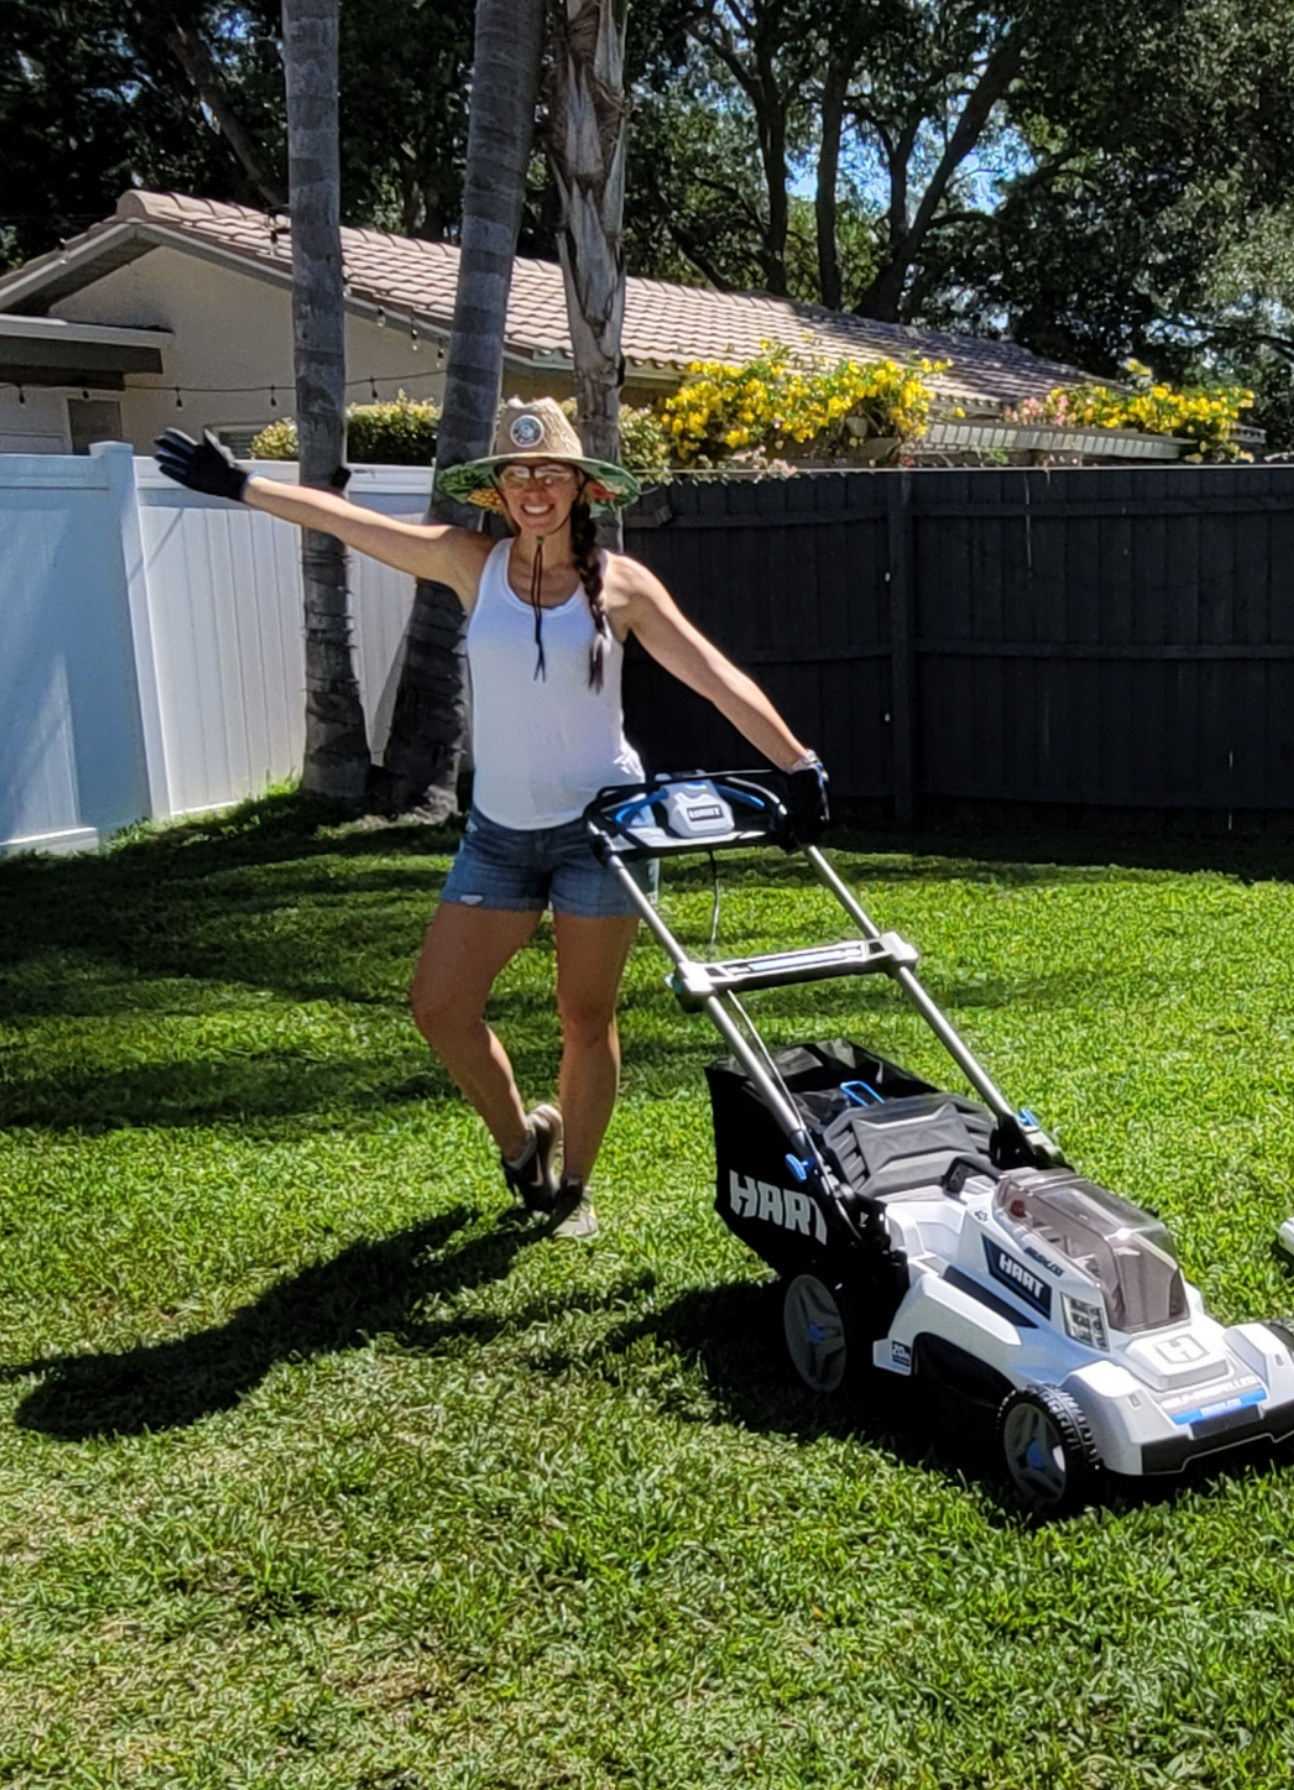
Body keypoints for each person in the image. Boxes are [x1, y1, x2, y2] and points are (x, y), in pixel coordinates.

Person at [155, 398, 825, 1242]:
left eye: (551, 473)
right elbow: (346, 521)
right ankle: (522, 1145)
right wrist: (241, 484)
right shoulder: (468, 562)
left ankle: (572, 1188)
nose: (535, 487)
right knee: (439, 1007)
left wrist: (797, 763)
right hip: (500, 839)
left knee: (584, 1020)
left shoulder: (622, 586)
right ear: (498, 493)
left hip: (604, 840)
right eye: (518, 474)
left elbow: (714, 675)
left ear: (582, 486)